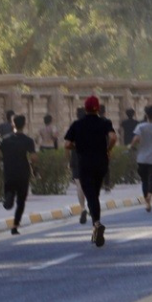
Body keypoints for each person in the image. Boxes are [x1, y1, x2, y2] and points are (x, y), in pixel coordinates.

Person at [64, 96, 116, 247]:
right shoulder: (105, 122)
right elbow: (113, 137)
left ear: (85, 108)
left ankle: (97, 224)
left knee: (91, 196)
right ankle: (96, 226)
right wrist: (108, 149)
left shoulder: (77, 124)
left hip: (85, 164)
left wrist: (78, 147)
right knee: (95, 194)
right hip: (101, 163)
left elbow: (67, 144)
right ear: (98, 109)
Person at [0, 115, 37, 235]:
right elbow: (33, 157)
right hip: (23, 173)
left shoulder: (5, 140)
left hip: (9, 172)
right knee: (21, 201)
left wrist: (4, 159)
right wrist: (34, 168)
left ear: (13, 125)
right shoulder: (28, 140)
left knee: (9, 190)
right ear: (25, 124)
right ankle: (15, 226)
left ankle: (9, 196)